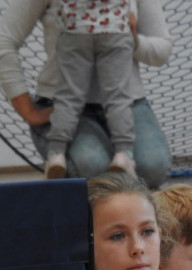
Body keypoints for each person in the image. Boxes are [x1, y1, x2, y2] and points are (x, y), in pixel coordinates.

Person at [0, 0, 172, 188]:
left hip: (128, 101)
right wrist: (27, 110)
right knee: (93, 167)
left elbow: (162, 51)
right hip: (62, 103)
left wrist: (132, 40)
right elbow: (3, 44)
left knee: (152, 166)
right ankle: (61, 159)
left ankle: (130, 195)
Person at [44, 0, 138, 179]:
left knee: (69, 96)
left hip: (75, 30)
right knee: (117, 96)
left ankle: (56, 153)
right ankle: (123, 154)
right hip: (115, 28)